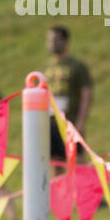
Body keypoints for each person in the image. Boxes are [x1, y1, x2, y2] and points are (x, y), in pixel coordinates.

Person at [44, 25, 93, 165]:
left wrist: (81, 121)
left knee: (77, 161)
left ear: (65, 41)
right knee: (55, 164)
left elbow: (87, 93)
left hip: (70, 121)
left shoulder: (77, 66)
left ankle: (82, 187)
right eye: (49, 40)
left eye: (55, 40)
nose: (51, 44)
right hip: (50, 122)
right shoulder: (48, 67)